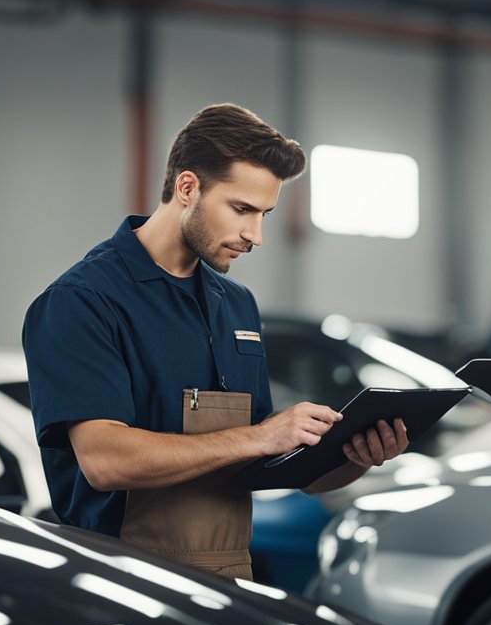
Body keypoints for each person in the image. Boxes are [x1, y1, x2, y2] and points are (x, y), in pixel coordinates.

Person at [23, 103, 408, 581]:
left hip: (229, 575)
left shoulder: (237, 304)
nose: (256, 234)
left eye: (265, 213)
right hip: (121, 580)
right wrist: (262, 434)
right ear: (187, 187)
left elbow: (270, 466)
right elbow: (105, 460)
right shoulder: (81, 301)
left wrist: (355, 457)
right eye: (242, 209)